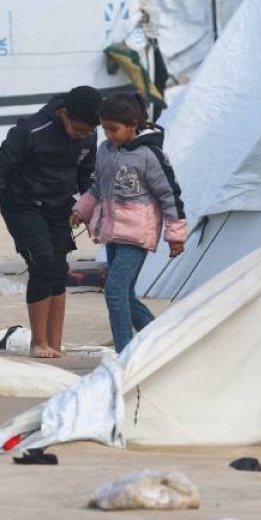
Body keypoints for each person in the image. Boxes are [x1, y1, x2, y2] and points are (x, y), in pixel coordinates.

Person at [0, 86, 103, 358]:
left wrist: (92, 214)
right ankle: (38, 342)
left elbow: (86, 177)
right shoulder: (30, 131)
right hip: (22, 205)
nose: (82, 136)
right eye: (78, 129)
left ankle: (54, 345)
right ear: (63, 114)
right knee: (43, 262)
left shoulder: (90, 134)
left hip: (60, 206)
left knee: (59, 269)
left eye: (87, 132)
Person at [71, 92, 187, 354]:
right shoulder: (105, 151)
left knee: (114, 291)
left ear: (133, 124)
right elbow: (97, 189)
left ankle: (125, 354)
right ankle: (162, 343)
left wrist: (175, 234)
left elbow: (170, 195)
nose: (108, 135)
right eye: (105, 129)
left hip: (135, 235)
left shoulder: (150, 155)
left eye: (114, 129)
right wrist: (81, 211)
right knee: (125, 295)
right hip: (112, 233)